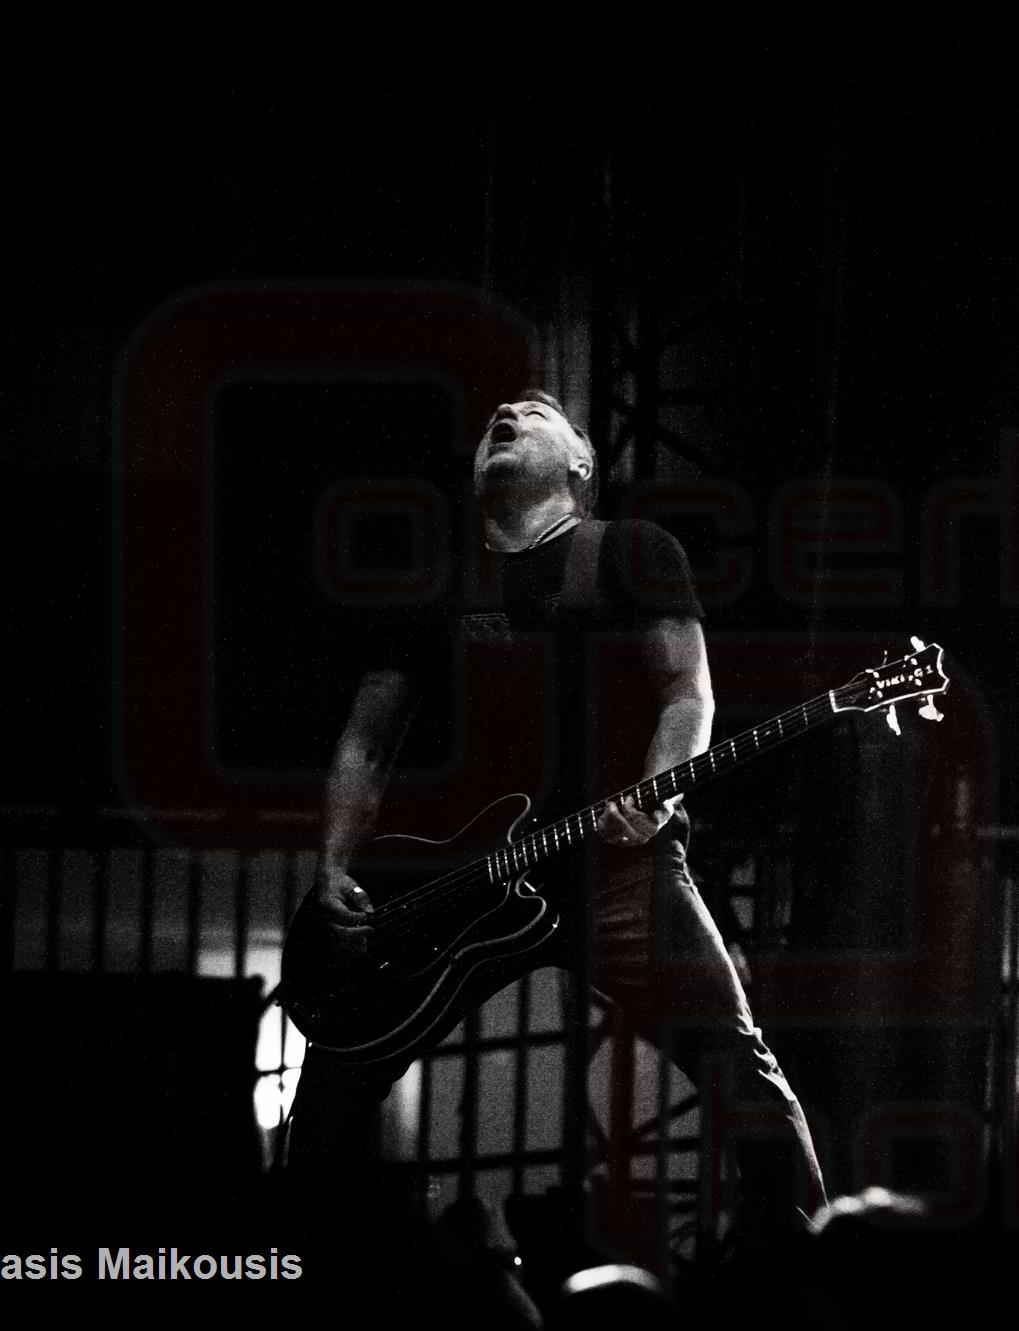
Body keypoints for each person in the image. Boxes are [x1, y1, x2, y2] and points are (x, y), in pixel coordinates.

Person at [285, 390, 826, 1254]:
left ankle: (812, 1270)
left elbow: (686, 691)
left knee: (740, 1071)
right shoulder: (436, 582)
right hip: (469, 877)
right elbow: (365, 742)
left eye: (535, 413)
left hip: (620, 866)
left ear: (581, 463)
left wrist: (654, 796)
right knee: (334, 1087)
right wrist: (332, 868)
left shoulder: (632, 550)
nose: (505, 411)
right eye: (495, 417)